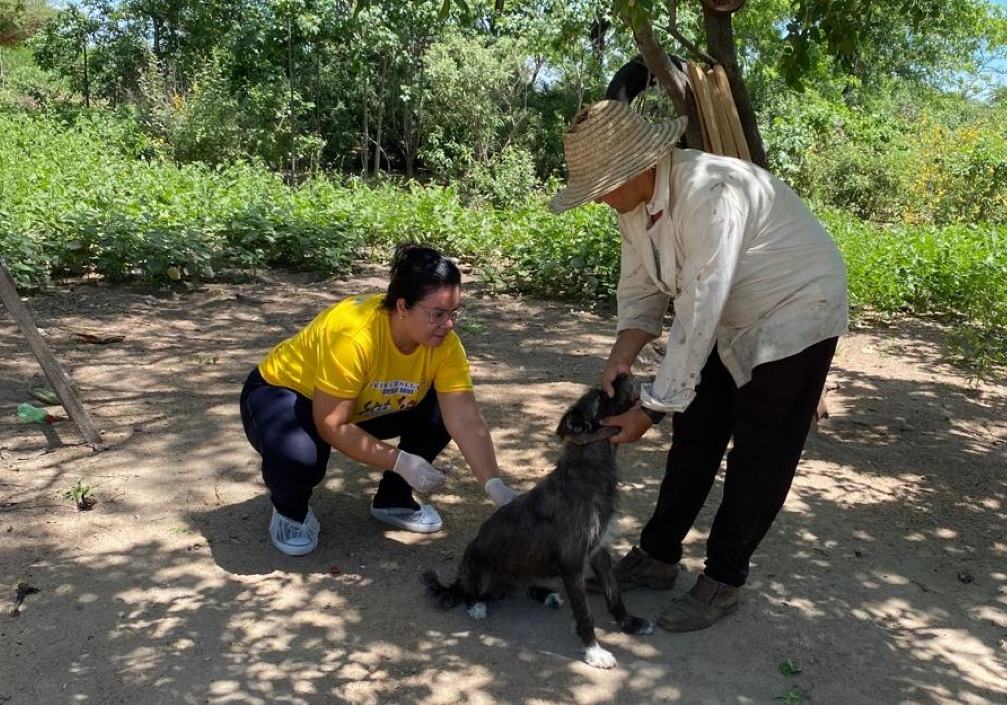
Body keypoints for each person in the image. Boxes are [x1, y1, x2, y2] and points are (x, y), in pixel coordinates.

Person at [550, 100, 848, 632]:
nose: (597, 197)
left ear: (640, 166)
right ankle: (659, 556)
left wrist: (652, 410)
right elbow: (642, 288)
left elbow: (699, 307)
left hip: (797, 311)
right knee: (696, 434)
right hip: (727, 313)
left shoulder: (711, 193)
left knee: (760, 453)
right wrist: (622, 354)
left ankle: (724, 579)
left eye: (602, 184)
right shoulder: (633, 207)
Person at [239, 243, 517, 556]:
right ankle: (290, 511)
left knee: (441, 412)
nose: (448, 324)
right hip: (286, 395)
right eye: (437, 314)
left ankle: (393, 499)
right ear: (402, 307)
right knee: (298, 458)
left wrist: (493, 484)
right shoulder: (354, 336)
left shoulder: (444, 344)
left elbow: (465, 417)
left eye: (453, 313)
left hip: (360, 405)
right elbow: (331, 423)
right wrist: (400, 460)